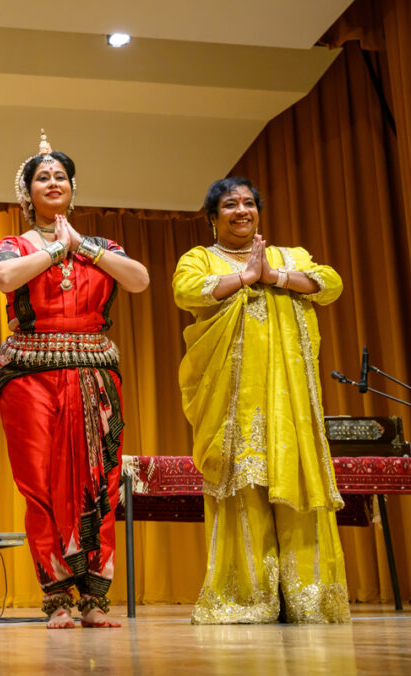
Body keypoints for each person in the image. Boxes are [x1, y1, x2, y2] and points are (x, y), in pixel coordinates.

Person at [0, 132, 149, 628]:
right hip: (29, 375)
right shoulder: (14, 246)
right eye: (42, 177)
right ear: (27, 193)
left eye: (60, 176)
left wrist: (83, 249)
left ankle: (95, 598)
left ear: (72, 188)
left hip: (94, 375)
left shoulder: (101, 247)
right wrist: (57, 252)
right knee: (38, 485)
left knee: (99, 484)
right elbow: (4, 279)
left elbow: (139, 279)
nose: (52, 182)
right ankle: (57, 596)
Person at [172, 177, 350, 624]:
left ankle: (307, 598)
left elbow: (330, 284)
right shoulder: (200, 258)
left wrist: (274, 276)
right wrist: (244, 278)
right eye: (229, 205)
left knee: (297, 488)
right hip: (233, 407)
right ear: (213, 217)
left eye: (249, 203)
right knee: (243, 491)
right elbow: (185, 291)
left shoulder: (290, 256)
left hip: (289, 404)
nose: (241, 211)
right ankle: (246, 598)